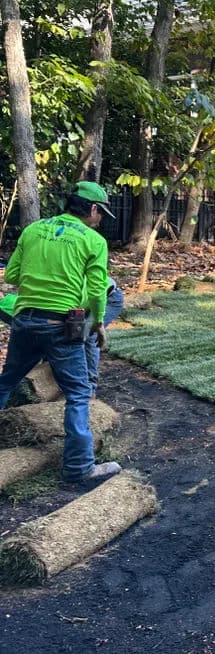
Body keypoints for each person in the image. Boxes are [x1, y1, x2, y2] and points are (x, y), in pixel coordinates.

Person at [0, 182, 121, 482]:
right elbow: (98, 290)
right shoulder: (93, 241)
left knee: (6, 382)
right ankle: (79, 467)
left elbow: (12, 274)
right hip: (60, 326)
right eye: (100, 213)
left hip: (25, 320)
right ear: (92, 209)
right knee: (78, 394)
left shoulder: (33, 230)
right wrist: (99, 324)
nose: (100, 219)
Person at [0, 276, 123, 398]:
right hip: (79, 304)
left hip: (106, 298)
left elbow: (72, 328)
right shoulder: (31, 302)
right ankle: (54, 380)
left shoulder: (61, 299)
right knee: (52, 338)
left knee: (86, 337)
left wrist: (96, 322)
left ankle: (89, 387)